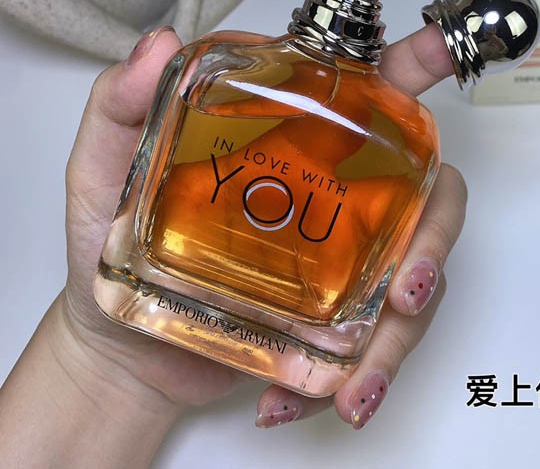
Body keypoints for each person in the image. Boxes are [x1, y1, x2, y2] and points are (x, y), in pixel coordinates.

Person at [0, 23, 468, 467]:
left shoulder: (222, 65)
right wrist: (103, 356)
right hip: (135, 294)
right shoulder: (217, 67)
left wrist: (113, 371)